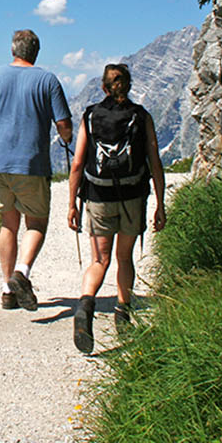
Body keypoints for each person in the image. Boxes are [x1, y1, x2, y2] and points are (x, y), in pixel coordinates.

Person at [0, 29, 73, 311]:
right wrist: (67, 138)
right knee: (36, 223)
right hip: (31, 164)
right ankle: (21, 273)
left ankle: (7, 290)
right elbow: (63, 126)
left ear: (12, 50)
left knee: (8, 224)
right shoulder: (47, 80)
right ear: (36, 52)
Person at [67, 63, 166, 353]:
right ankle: (123, 315)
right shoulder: (141, 116)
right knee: (124, 258)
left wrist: (72, 203)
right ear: (129, 86)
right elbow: (154, 162)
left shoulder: (90, 116)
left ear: (103, 88)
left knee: (100, 260)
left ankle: (85, 307)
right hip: (133, 197)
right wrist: (160, 203)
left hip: (98, 197)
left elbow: (76, 164)